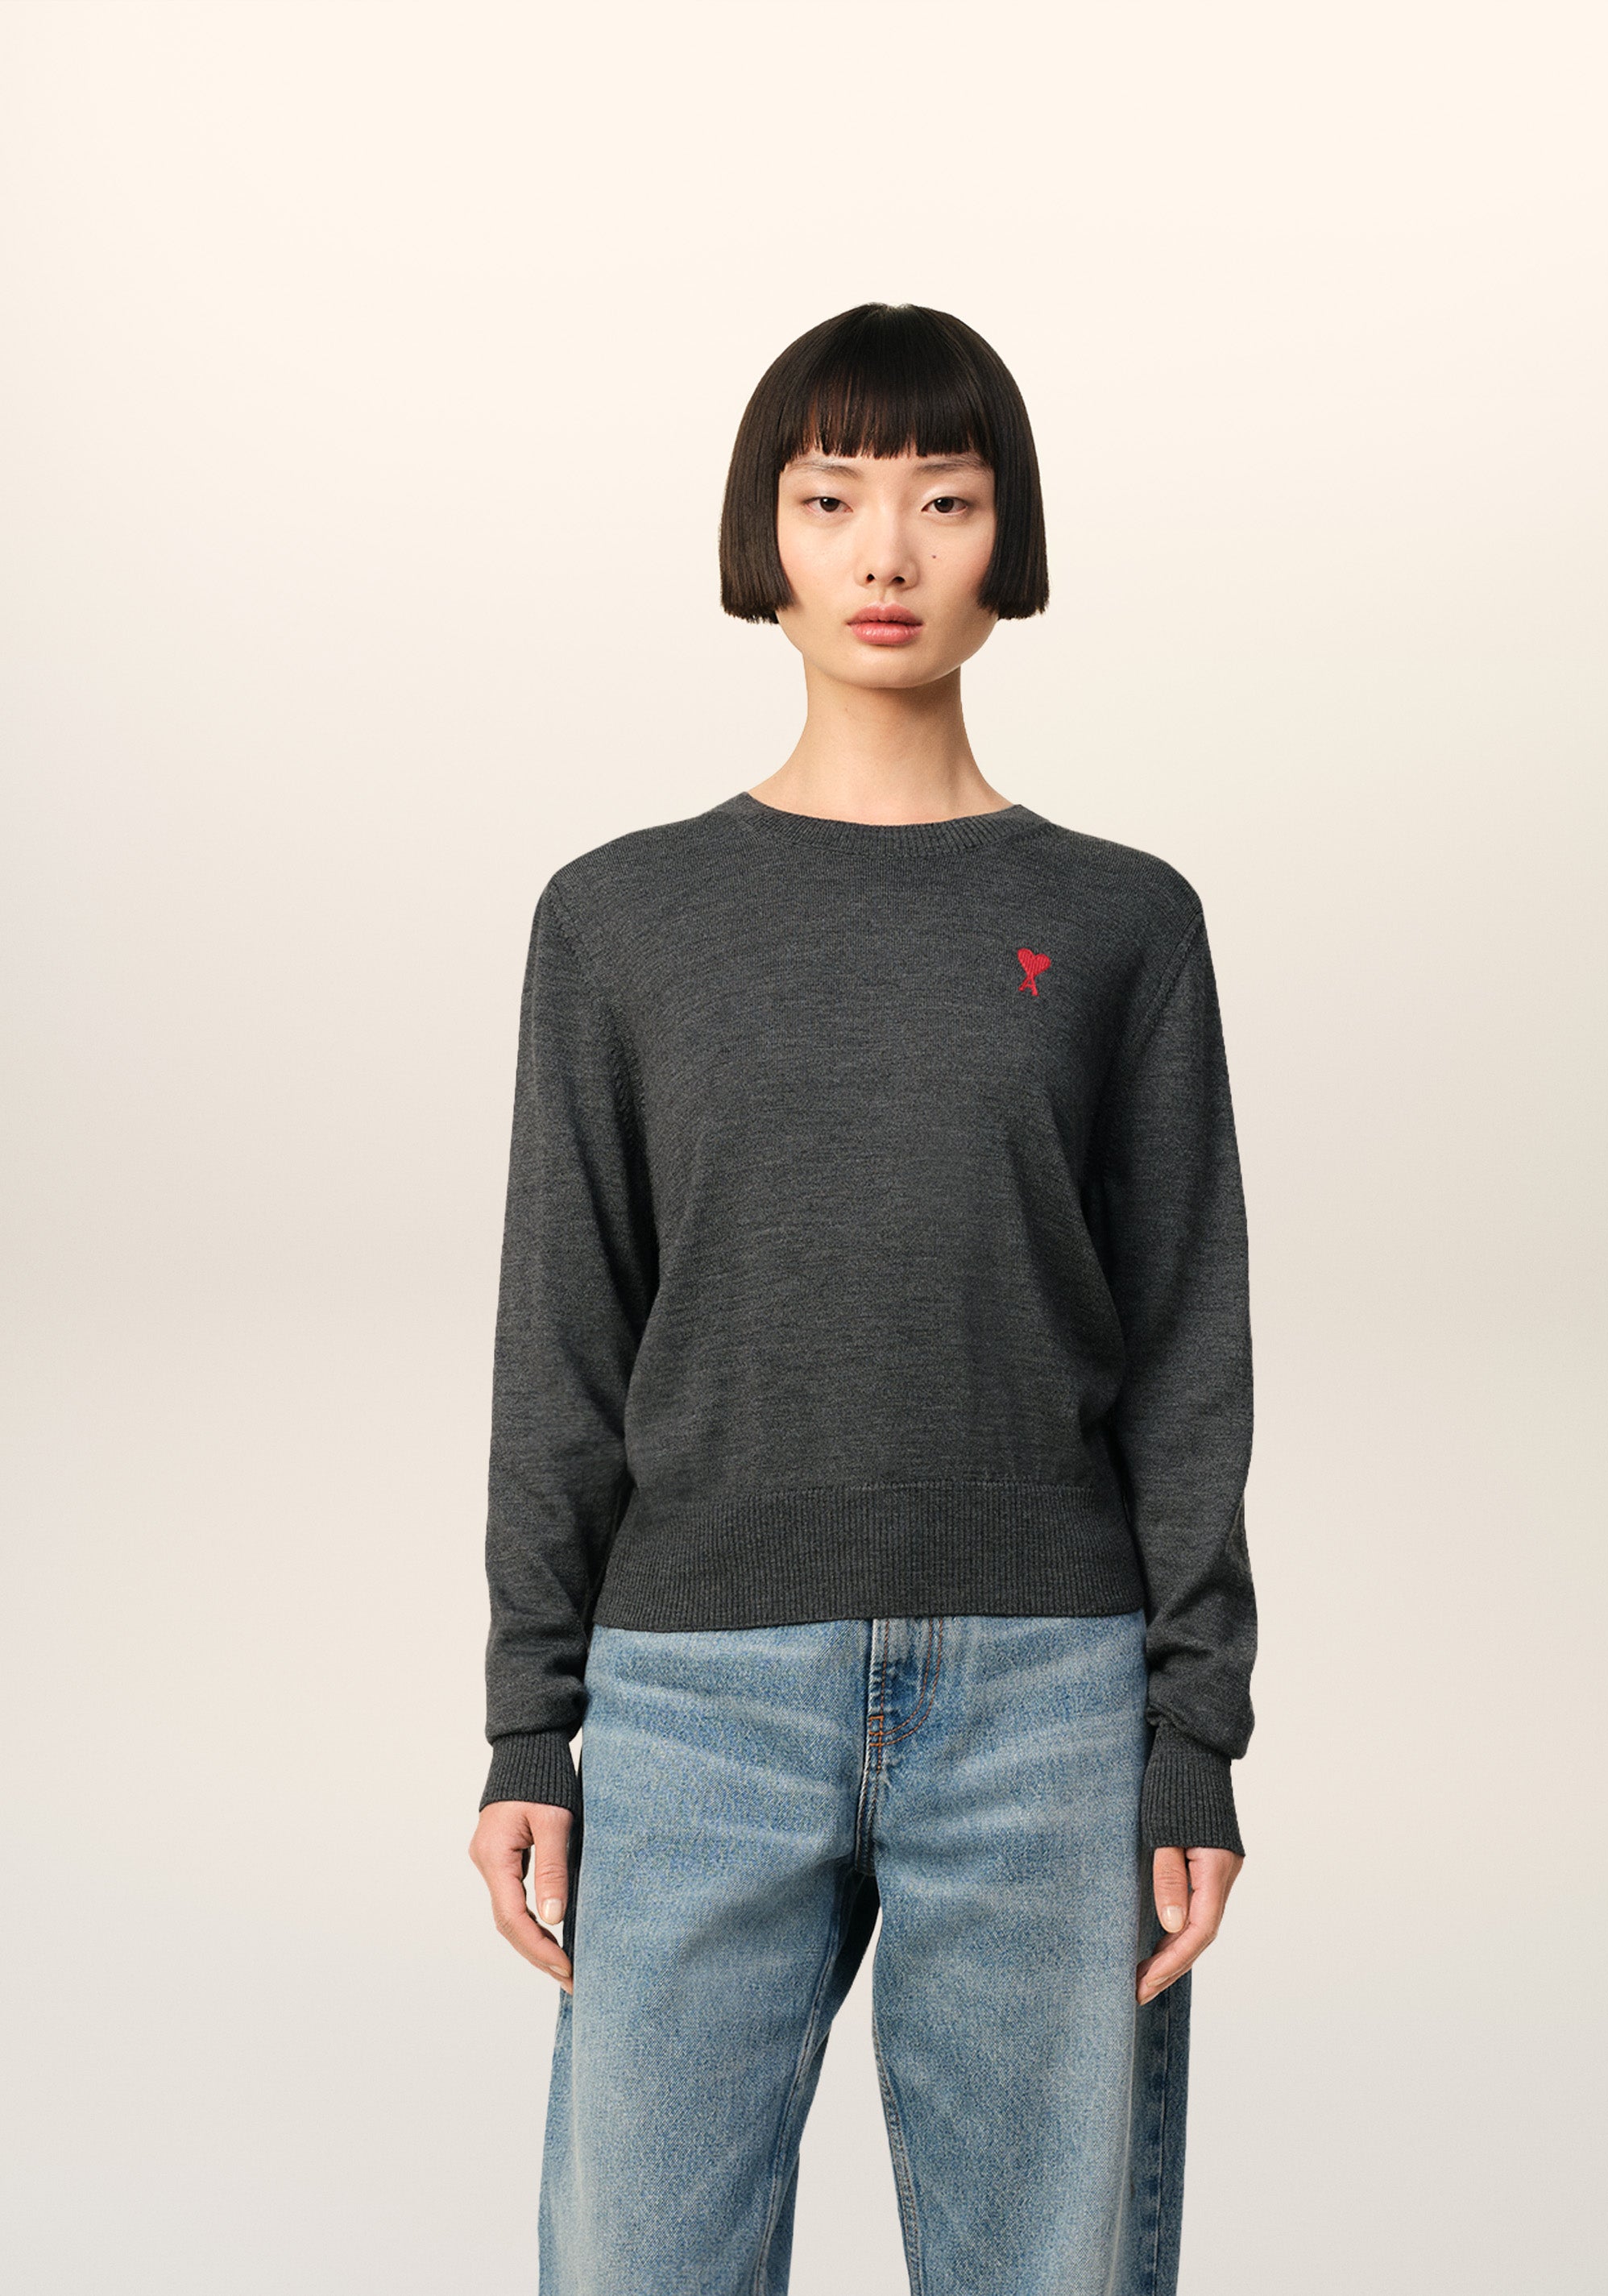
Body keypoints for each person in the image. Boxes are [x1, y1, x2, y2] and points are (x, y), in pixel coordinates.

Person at [467, 301, 1257, 2296]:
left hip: (1050, 1701)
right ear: (768, 535)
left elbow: (1187, 1354)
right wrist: (530, 1728)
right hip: (695, 1696)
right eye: (831, 500)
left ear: (1012, 539)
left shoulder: (1121, 921)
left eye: (944, 498)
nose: (887, 552)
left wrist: (1194, 1738)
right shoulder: (621, 919)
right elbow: (564, 1339)